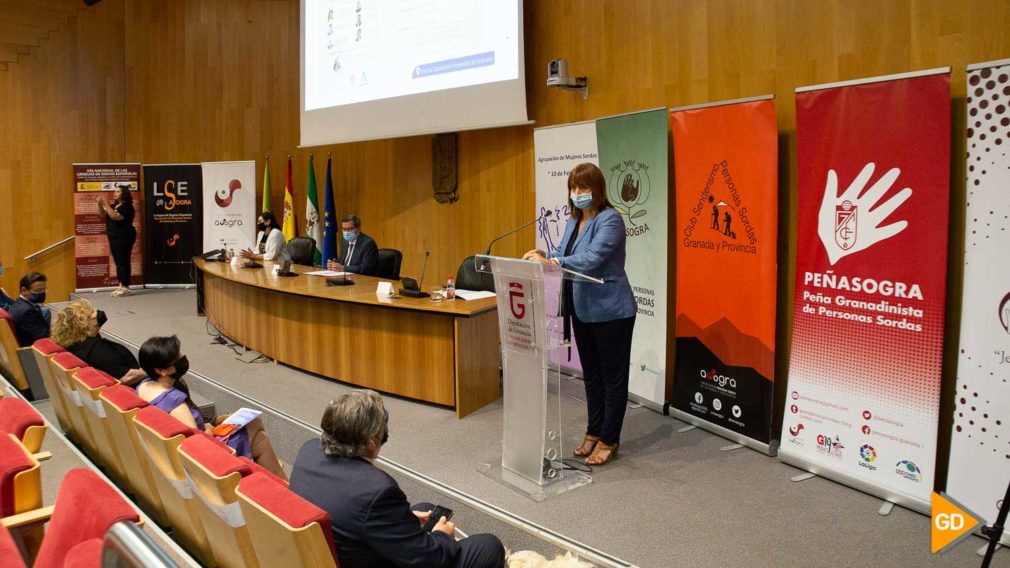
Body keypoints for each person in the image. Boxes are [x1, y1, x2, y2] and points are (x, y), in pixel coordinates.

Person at [289, 390, 505, 568]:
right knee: (488, 546)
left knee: (424, 509)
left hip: (341, 552)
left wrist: (401, 519)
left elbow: (349, 510)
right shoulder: (377, 490)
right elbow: (430, 559)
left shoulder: (308, 451)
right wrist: (441, 537)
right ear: (372, 442)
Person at [523, 163, 636, 466]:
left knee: (612, 378)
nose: (577, 194)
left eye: (583, 188)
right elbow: (562, 251)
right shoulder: (575, 220)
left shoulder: (610, 220)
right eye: (573, 188)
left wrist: (555, 262)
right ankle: (594, 432)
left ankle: (610, 439)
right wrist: (546, 256)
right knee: (592, 377)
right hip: (582, 308)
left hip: (611, 311)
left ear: (597, 189)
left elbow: (591, 259)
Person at [135, 335, 287, 479]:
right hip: (207, 457)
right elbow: (196, 443)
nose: (182, 356)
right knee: (256, 430)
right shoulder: (175, 402)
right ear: (162, 370)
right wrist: (208, 429)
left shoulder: (143, 386)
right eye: (176, 356)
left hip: (173, 453)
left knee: (256, 433)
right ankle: (281, 480)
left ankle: (271, 471)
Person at [50, 299, 146, 385]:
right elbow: (127, 377)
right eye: (91, 312)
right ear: (85, 325)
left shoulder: (71, 343)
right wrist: (151, 370)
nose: (96, 311)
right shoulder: (98, 350)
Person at [96, 185, 137, 298]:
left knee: (124, 260)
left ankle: (125, 287)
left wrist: (106, 204)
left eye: (118, 191)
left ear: (124, 194)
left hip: (124, 236)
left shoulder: (127, 207)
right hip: (114, 236)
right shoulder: (114, 206)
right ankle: (121, 285)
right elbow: (102, 214)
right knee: (118, 261)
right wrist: (100, 204)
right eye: (114, 191)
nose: (115, 193)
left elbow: (114, 216)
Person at [9, 272, 50, 347]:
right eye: (38, 291)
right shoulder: (28, 312)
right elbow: (44, 338)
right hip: (32, 352)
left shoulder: (18, 303)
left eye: (44, 290)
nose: (42, 293)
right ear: (24, 290)